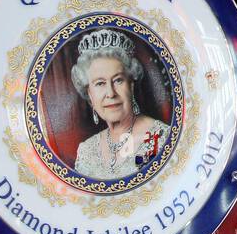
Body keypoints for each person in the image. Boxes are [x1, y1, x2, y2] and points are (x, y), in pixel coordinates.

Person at [70, 28, 171, 181]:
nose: (110, 93)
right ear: (89, 94)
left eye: (118, 80)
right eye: (100, 83)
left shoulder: (161, 138)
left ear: (131, 85)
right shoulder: (86, 150)